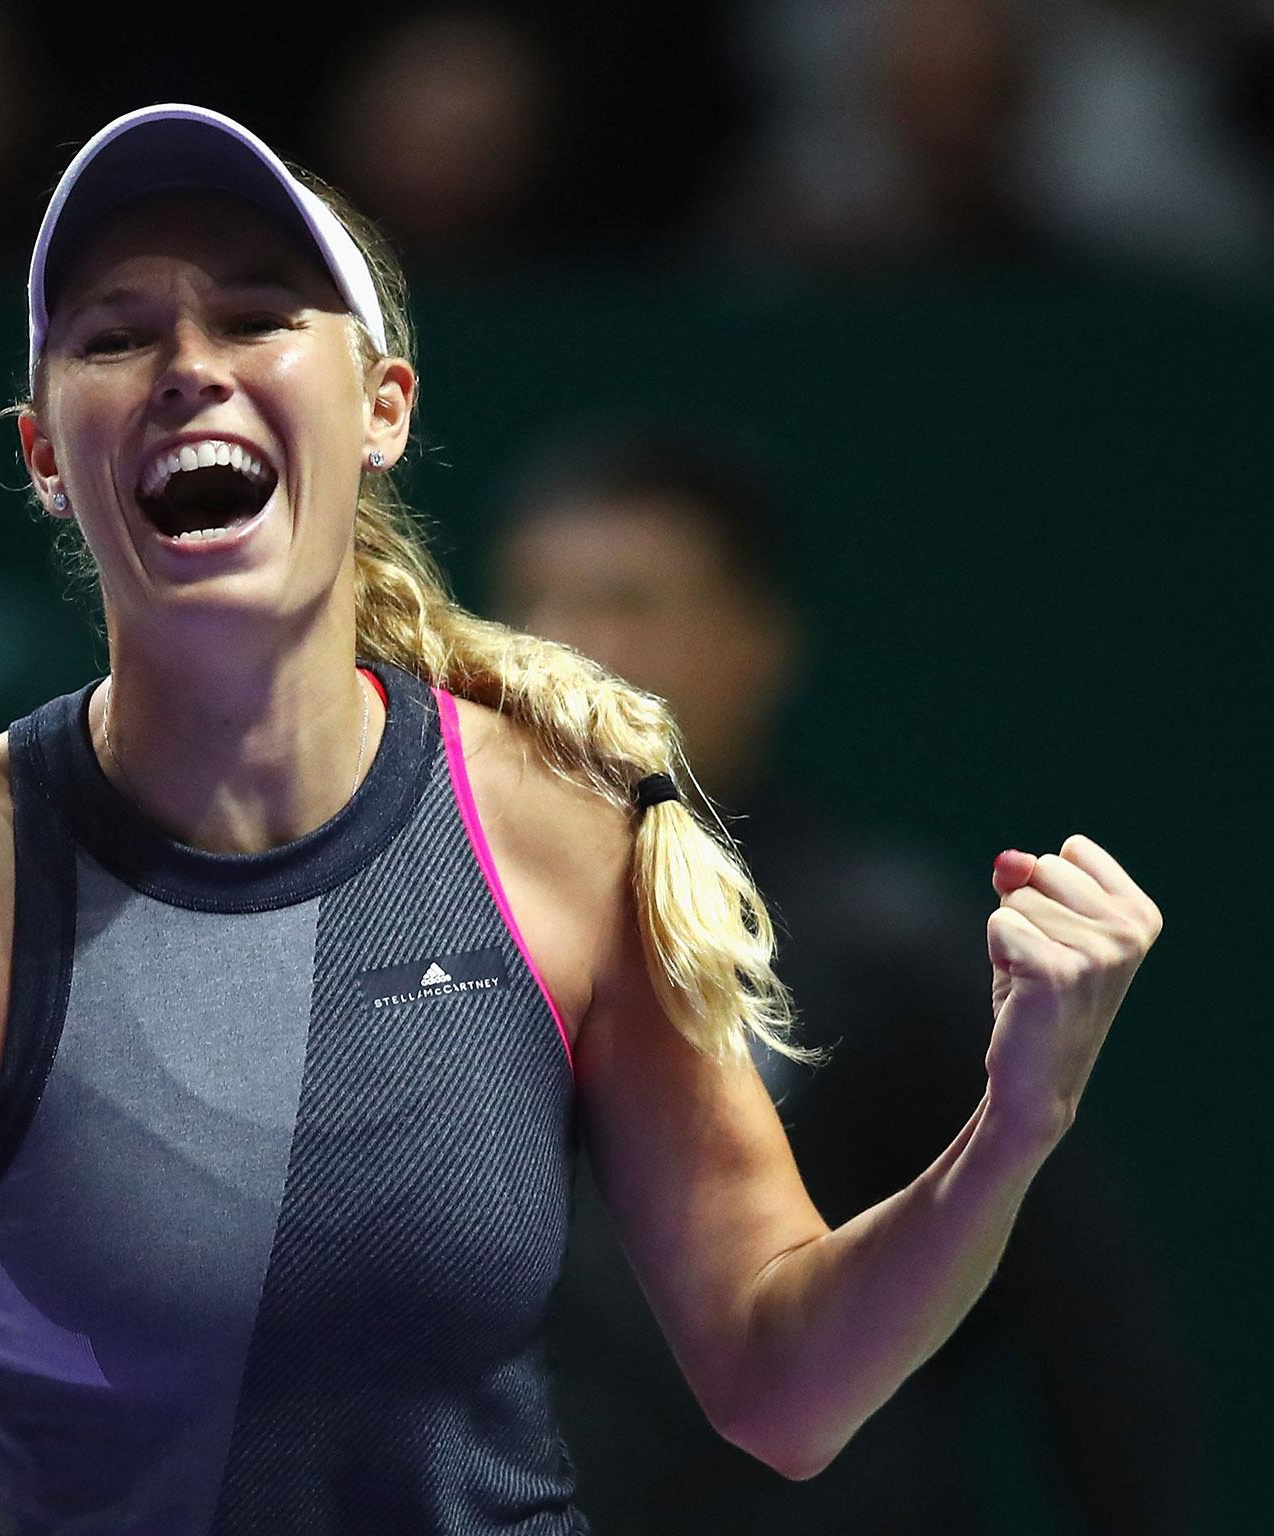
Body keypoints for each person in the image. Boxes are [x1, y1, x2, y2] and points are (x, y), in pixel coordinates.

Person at [0, 103, 1164, 1534]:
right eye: (113, 335)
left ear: (378, 408)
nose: (186, 366)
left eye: (256, 316)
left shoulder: (564, 834)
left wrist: (1008, 1124)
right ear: (45, 457)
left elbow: (779, 1381)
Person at [492, 432, 1204, 1533]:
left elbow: (1090, 1338)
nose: (567, 648)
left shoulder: (887, 946)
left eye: (626, 601)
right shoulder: (449, 925)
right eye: (533, 602)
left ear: (757, 642)